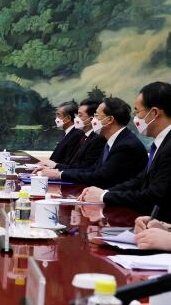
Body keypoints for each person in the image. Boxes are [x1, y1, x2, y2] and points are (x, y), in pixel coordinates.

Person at [81, 82, 171, 221]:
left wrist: (103, 196)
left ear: (154, 113)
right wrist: (105, 193)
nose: (135, 117)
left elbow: (154, 196)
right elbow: (139, 180)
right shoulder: (161, 143)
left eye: (137, 111)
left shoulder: (168, 147)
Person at [36, 98, 146, 188]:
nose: (94, 120)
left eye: (97, 116)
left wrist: (59, 174)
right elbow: (92, 170)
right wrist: (58, 173)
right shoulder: (112, 141)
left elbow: (100, 177)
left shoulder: (126, 146)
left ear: (109, 120)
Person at [37, 99, 105, 171]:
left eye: (80, 115)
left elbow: (84, 168)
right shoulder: (86, 137)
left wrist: (56, 166)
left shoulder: (96, 139)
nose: (76, 118)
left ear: (91, 119)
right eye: (76, 115)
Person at [46, 100, 83, 165]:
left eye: (59, 115)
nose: (56, 119)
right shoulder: (68, 133)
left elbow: (67, 162)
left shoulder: (76, 135)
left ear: (68, 118)